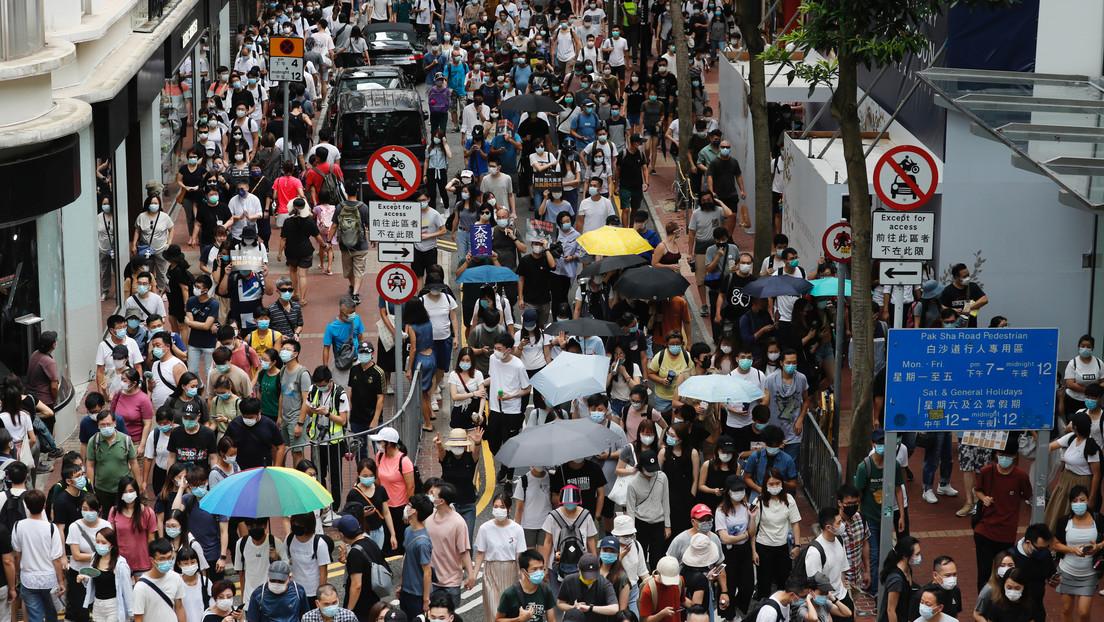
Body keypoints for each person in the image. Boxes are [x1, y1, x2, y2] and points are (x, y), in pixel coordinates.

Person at [973, 444, 1033, 590]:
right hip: (984, 530)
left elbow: (1028, 495)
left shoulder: (1021, 476)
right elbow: (978, 489)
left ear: (1014, 456)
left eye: (1008, 456)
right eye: (1001, 454)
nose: (1004, 458)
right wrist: (984, 498)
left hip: (1006, 534)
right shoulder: (986, 471)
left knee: (1004, 572)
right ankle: (983, 602)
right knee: (984, 572)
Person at [854, 429, 905, 591]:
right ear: (873, 444)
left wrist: (901, 515)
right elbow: (859, 494)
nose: (882, 446)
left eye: (885, 443)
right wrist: (860, 519)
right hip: (870, 519)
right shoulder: (865, 467)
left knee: (886, 553)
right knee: (874, 554)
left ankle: (882, 585)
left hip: (888, 518)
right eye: (879, 443)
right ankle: (875, 589)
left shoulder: (894, 465)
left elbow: (898, 490)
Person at [469, 493, 526, 622]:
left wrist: (524, 582)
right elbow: (480, 554)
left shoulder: (517, 529)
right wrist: (473, 576)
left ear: (509, 509)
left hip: (510, 573)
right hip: (491, 573)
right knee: (494, 612)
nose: (498, 509)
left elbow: (519, 557)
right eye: (496, 506)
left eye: (502, 506)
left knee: (510, 612)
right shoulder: (485, 528)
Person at [12, 490, 65, 622]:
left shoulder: (18, 526)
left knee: (34, 616)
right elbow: (57, 558)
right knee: (52, 613)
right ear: (44, 506)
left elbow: (17, 554)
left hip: (28, 579)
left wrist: (18, 573)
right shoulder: (52, 528)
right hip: (49, 579)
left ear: (27, 506)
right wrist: (61, 581)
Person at [1052, 485, 1101, 622]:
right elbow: (1056, 544)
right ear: (1070, 503)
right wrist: (1072, 550)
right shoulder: (1064, 521)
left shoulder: (1097, 519)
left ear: (1088, 500)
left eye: (1082, 499)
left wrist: (1098, 546)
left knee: (1084, 612)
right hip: (1067, 571)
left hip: (1089, 574)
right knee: (1066, 610)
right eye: (1074, 500)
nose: (1078, 504)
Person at [1044, 412, 1100, 531]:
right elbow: (1051, 446)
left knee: (1073, 512)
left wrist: (1091, 499)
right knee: (1059, 510)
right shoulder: (1071, 438)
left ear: (1075, 428)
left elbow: (1096, 475)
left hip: (1081, 482)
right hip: (1065, 480)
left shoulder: (1090, 447)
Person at [752, 468, 801, 596]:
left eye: (777, 483)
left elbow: (795, 523)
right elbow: (752, 531)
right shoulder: (758, 502)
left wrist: (797, 546)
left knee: (784, 585)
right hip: (763, 547)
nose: (775, 487)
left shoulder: (789, 500)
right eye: (771, 484)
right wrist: (753, 551)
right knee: (764, 585)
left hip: (784, 548)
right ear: (765, 485)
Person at [64, 492, 110, 622]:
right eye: (85, 509)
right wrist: (99, 554)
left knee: (100, 610)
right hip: (78, 574)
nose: (88, 512)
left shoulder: (106, 526)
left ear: (99, 509)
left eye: (92, 509)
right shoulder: (75, 527)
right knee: (80, 611)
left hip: (99, 573)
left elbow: (111, 550)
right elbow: (76, 556)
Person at [372, 427, 416, 556]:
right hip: (385, 507)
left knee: (403, 543)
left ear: (388, 443)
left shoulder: (404, 461)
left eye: (380, 442)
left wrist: (408, 508)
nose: (378, 444)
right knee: (385, 543)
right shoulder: (379, 456)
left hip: (400, 508)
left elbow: (411, 487)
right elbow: (378, 480)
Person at [334, 513, 386, 621]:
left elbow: (357, 585)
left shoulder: (355, 553)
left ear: (342, 535)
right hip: (374, 601)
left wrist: (349, 610)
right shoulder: (371, 543)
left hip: (361, 608)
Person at [624, 449, 670, 568]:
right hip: (641, 523)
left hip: (658, 522)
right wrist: (631, 532)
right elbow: (630, 510)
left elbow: (665, 501)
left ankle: (656, 582)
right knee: (640, 556)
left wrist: (667, 525)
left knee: (657, 557)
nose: (651, 472)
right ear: (641, 467)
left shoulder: (662, 477)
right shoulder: (633, 484)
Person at [78, 527, 135, 622]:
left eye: (104, 543)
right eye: (98, 542)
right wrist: (84, 579)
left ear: (112, 545)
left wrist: (131, 612)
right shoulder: (94, 558)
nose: (100, 545)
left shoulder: (120, 564)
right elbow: (94, 580)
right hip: (97, 605)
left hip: (113, 606)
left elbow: (127, 589)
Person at [803, 507, 850, 622]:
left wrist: (844, 589)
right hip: (828, 604)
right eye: (839, 522)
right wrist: (824, 611)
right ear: (829, 527)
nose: (842, 524)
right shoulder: (815, 552)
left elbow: (842, 569)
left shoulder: (839, 539)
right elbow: (814, 586)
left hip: (842, 598)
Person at [399, 494, 436, 621]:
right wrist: (401, 585)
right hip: (406, 591)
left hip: (418, 595)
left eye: (408, 505)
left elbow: (427, 572)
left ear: (414, 511)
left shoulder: (422, 543)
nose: (406, 507)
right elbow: (406, 560)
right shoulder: (408, 530)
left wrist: (426, 600)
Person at [495, 549, 557, 622]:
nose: (539, 572)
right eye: (534, 569)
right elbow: (498, 620)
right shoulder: (510, 594)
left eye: (541, 568)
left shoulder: (545, 590)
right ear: (523, 571)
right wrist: (519, 619)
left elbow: (551, 619)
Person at [555, 553, 619, 622]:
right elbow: (560, 604)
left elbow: (614, 608)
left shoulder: (604, 584)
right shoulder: (569, 580)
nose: (589, 579)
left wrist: (590, 608)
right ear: (578, 568)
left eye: (592, 575)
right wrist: (573, 607)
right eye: (586, 576)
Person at [133, 538, 185, 622]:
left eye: (169, 558)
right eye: (162, 559)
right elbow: (138, 618)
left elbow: (179, 607)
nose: (166, 561)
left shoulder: (175, 577)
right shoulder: (141, 587)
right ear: (152, 560)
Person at [245, 561, 309, 622]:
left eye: (281, 581)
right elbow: (253, 619)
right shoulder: (258, 595)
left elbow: (305, 615)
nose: (276, 583)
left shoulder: (298, 591)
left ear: (289, 578)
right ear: (268, 576)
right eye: (273, 580)